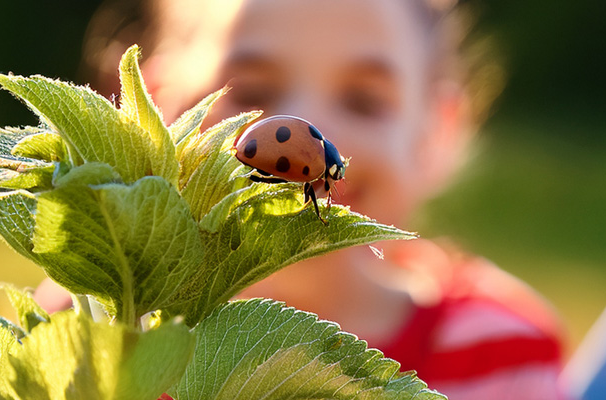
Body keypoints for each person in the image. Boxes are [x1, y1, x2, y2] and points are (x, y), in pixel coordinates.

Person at [40, 0, 568, 397]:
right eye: (249, 92)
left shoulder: (503, 349)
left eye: (364, 101)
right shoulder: (101, 318)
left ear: (436, 132)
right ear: (162, 109)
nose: (312, 123)